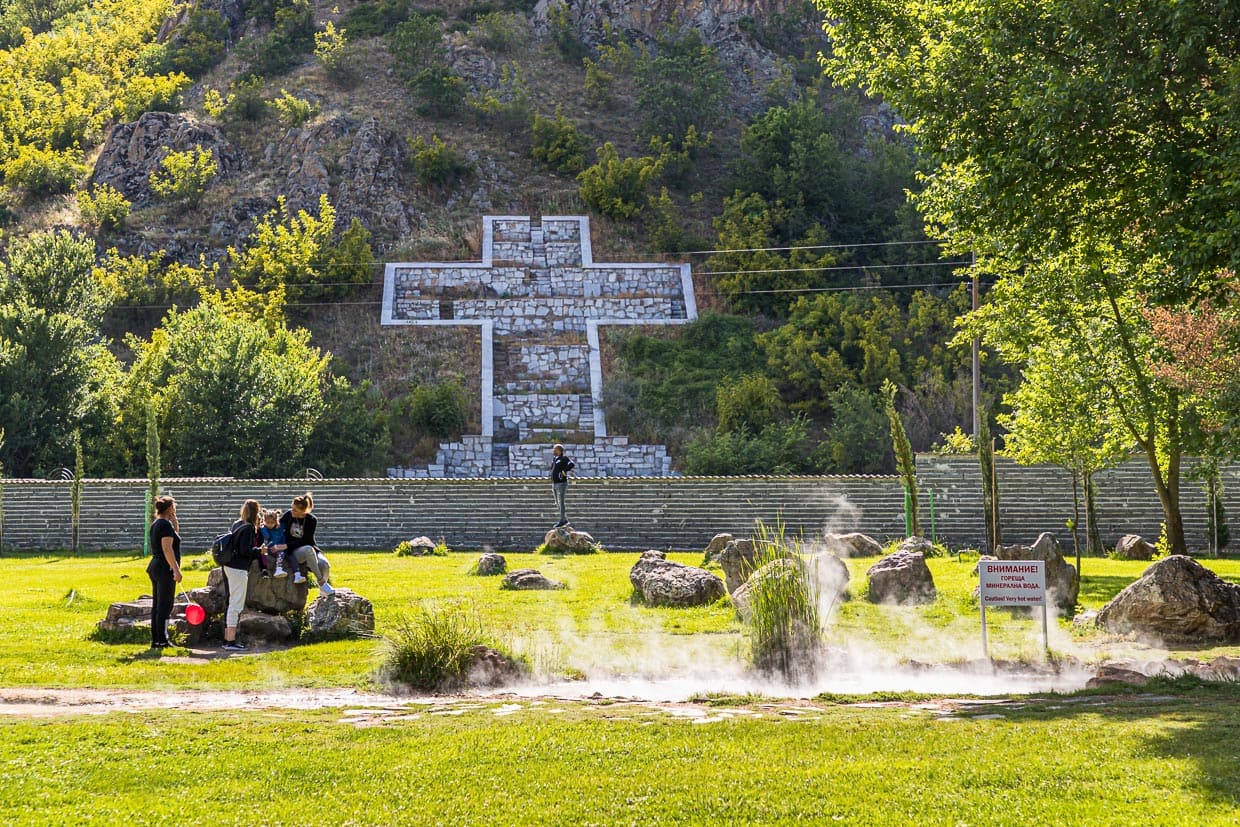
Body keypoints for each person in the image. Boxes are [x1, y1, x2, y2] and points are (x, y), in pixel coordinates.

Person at [222, 499, 262, 651]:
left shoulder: (237, 524)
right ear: (256, 512)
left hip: (228, 565)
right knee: (236, 604)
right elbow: (245, 551)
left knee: (231, 601)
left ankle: (227, 639)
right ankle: (230, 641)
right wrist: (260, 551)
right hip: (238, 568)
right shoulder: (249, 528)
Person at [279, 492, 335, 595]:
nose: (292, 511)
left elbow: (306, 540)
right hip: (294, 551)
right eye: (292, 507)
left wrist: (287, 545)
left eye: (295, 510)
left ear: (303, 511)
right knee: (308, 549)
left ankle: (323, 590)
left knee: (325, 564)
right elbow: (277, 527)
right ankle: (321, 582)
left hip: (309, 548)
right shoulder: (288, 515)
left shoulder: (311, 520)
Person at [146, 495, 182, 649]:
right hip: (164, 568)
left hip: (155, 566)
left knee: (157, 605)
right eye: (174, 507)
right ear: (169, 508)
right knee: (165, 605)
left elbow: (175, 536)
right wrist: (176, 569)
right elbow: (167, 549)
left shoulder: (157, 524)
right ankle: (162, 639)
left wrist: (174, 520)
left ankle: (157, 639)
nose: (175, 509)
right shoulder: (164, 526)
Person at [549, 443, 575, 528]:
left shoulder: (564, 458)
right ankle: (564, 519)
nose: (554, 450)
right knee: (557, 502)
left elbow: (571, 464)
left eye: (555, 449)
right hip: (554, 483)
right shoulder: (555, 459)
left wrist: (564, 471)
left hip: (561, 483)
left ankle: (562, 520)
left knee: (561, 502)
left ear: (559, 451)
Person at [259, 509, 290, 579]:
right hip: (268, 547)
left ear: (276, 521)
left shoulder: (280, 528)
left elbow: (283, 538)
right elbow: (267, 536)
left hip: (278, 548)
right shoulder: (264, 528)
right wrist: (263, 528)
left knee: (281, 553)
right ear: (264, 521)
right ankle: (264, 570)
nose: (270, 524)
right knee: (262, 552)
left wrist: (281, 546)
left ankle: (279, 568)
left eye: (272, 522)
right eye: (267, 522)